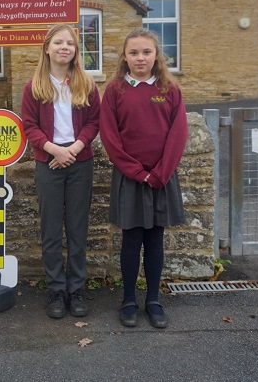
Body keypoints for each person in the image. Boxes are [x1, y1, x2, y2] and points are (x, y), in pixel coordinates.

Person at [100, 28, 188, 329]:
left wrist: (160, 173)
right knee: (131, 239)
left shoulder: (170, 89)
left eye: (146, 52)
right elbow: (110, 137)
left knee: (154, 239)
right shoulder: (115, 90)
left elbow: (179, 133)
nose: (140, 58)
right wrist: (137, 172)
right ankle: (128, 299)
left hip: (161, 178)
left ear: (156, 56)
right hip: (130, 178)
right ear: (124, 56)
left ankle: (153, 300)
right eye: (134, 52)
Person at [21, 24, 100, 319]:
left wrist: (74, 149)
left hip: (79, 161)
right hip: (49, 163)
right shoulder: (34, 87)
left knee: (78, 229)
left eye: (70, 43)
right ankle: (56, 288)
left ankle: (76, 288)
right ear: (47, 48)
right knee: (51, 230)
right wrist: (54, 150)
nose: (64, 47)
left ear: (75, 50)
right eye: (58, 42)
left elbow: (94, 122)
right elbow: (29, 125)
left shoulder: (86, 84)